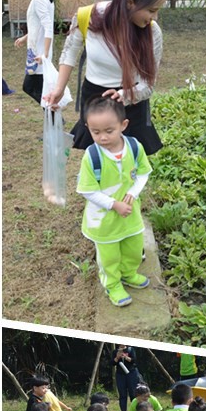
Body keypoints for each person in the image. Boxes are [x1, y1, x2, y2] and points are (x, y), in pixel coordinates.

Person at [44, 0, 167, 155]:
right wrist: (59, 88)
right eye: (151, 10)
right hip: (94, 99)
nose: (154, 17)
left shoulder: (152, 32)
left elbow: (148, 84)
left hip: (131, 100)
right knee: (97, 161)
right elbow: (70, 52)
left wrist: (125, 95)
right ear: (130, 2)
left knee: (128, 166)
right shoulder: (88, 17)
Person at [76, 97, 152, 307]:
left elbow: (144, 173)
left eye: (109, 131)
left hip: (130, 216)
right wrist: (113, 204)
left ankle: (128, 273)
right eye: (95, 132)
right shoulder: (92, 157)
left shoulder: (134, 147)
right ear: (88, 128)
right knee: (109, 257)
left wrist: (134, 192)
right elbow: (87, 190)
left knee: (134, 248)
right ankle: (112, 283)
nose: (102, 137)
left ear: (123, 125)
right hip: (104, 222)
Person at [14, 0, 55, 105]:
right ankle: (53, 117)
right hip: (36, 53)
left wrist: (45, 54)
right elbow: (39, 26)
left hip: (39, 56)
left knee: (30, 87)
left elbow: (48, 27)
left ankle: (55, 116)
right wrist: (25, 38)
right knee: (38, 89)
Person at [112, 344, 142, 411]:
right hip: (120, 375)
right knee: (122, 394)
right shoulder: (115, 351)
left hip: (131, 373)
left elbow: (134, 360)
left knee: (133, 393)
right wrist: (117, 357)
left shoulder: (131, 349)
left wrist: (125, 357)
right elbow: (112, 363)